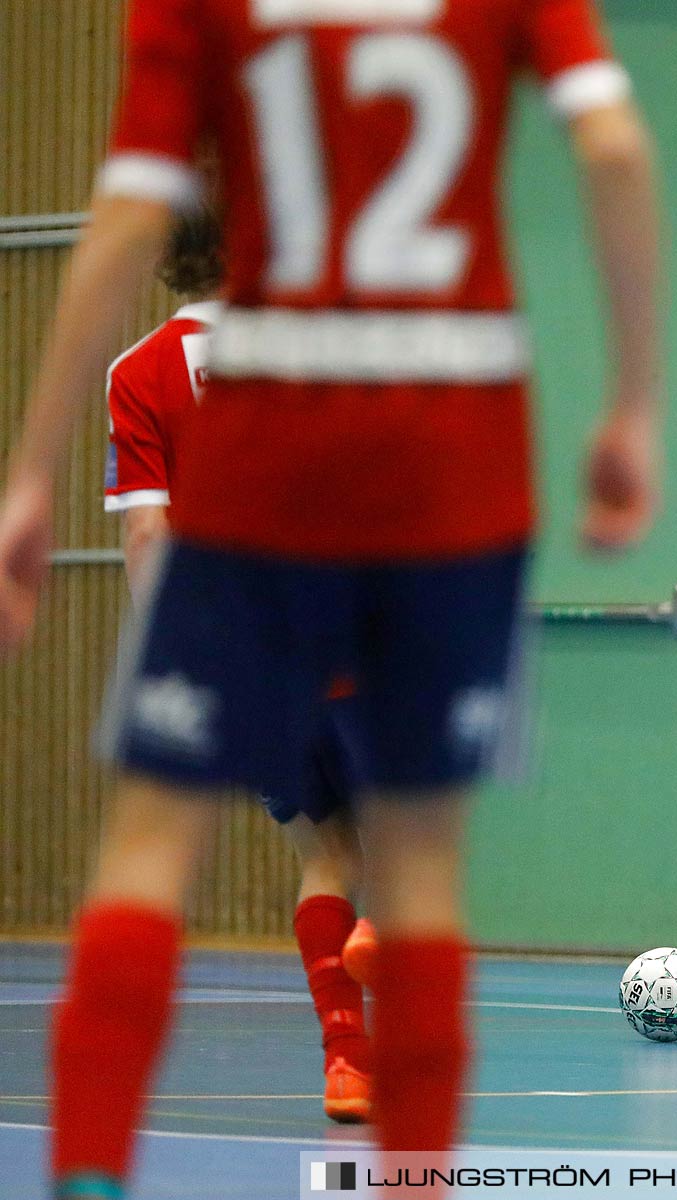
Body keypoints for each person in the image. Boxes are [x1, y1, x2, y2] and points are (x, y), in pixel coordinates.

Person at [0, 1, 664, 1196]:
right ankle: (415, 1178)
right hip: (456, 447)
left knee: (150, 849)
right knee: (419, 876)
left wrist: (31, 472)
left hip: (273, 440)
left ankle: (88, 1173)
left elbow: (130, 206)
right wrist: (634, 403)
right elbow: (613, 149)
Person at [101, 208, 378, 1125]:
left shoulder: (135, 374)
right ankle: (382, 932)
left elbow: (148, 535)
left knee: (322, 852)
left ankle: (347, 1062)